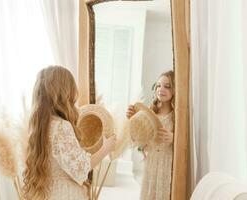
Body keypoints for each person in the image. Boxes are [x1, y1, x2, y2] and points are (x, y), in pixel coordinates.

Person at [22, 66, 116, 200]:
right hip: (65, 194)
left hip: (48, 193)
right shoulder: (61, 126)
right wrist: (106, 149)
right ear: (64, 92)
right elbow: (81, 169)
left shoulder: (40, 126)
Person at [126, 70, 174, 200]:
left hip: (167, 163)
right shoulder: (150, 113)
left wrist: (173, 138)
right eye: (158, 85)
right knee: (149, 193)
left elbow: (185, 143)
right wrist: (132, 119)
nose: (161, 89)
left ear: (174, 90)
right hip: (151, 162)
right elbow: (139, 139)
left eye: (167, 86)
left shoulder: (176, 116)